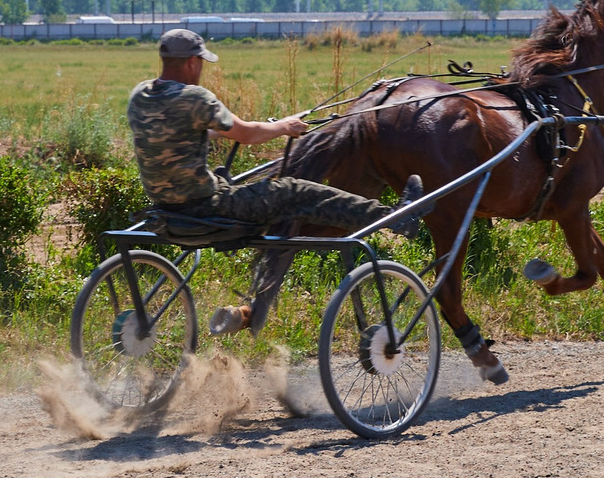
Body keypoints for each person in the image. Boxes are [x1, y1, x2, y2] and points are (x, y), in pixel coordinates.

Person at [126, 27, 420, 335]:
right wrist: (284, 126)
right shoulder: (196, 98)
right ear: (191, 63)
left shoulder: (140, 95)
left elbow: (175, 131)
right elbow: (248, 134)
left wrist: (213, 131)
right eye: (201, 63)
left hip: (166, 211)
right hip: (208, 210)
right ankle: (394, 218)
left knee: (235, 179)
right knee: (293, 189)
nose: (201, 70)